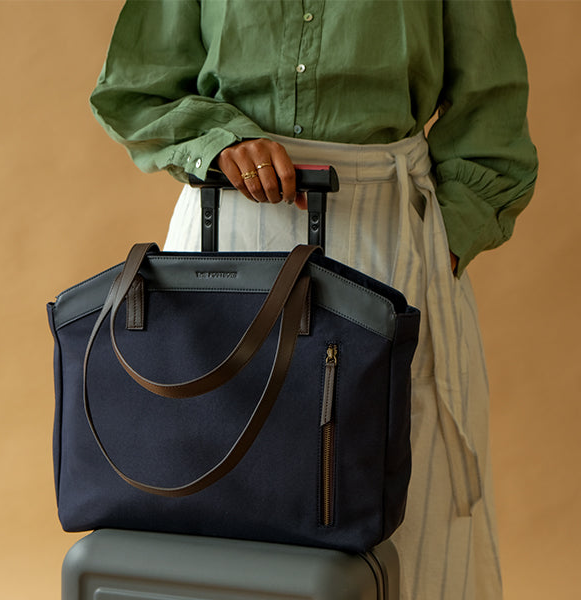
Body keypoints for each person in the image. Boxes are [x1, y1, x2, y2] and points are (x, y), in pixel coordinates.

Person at [89, 2, 538, 598]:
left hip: (385, 240)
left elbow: (492, 105)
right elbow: (137, 84)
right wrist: (217, 143)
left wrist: (440, 245)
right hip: (226, 239)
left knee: (408, 518)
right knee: (216, 507)